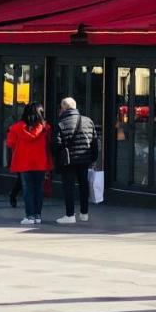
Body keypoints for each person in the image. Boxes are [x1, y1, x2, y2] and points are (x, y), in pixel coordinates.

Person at [54, 97, 99, 226]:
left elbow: (56, 144)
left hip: (68, 161)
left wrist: (58, 157)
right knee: (83, 186)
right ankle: (84, 213)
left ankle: (70, 215)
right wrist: (93, 158)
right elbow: (94, 142)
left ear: (63, 108)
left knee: (69, 187)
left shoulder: (61, 123)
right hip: (84, 160)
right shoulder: (88, 121)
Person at [7, 104, 51, 226]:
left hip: (24, 161)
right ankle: (37, 215)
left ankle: (30, 216)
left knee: (28, 189)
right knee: (39, 189)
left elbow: (10, 143)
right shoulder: (45, 128)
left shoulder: (16, 128)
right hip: (41, 162)